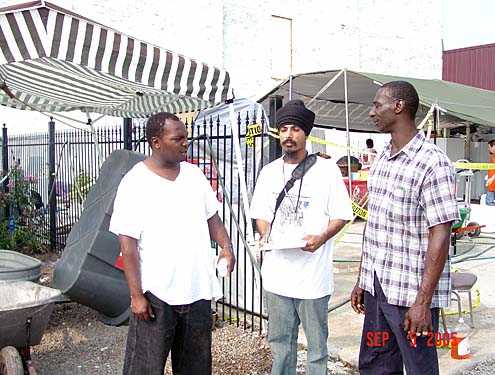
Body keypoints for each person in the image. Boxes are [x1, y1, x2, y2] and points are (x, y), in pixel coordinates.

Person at [109, 112, 235, 375]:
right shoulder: (135, 182)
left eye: (186, 138)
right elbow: (128, 246)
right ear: (156, 142)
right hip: (157, 295)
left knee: (196, 368)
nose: (185, 143)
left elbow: (213, 219)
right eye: (177, 139)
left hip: (197, 291)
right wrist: (136, 296)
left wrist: (226, 247)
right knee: (144, 367)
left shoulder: (194, 175)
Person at [350, 81, 460, 374]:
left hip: (410, 294)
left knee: (418, 367)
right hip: (378, 286)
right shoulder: (383, 157)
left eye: (377, 105)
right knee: (375, 365)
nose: (372, 112)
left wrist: (423, 302)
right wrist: (363, 278)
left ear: (398, 107)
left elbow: (441, 232)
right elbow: (375, 224)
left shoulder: (432, 162)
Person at [250, 99, 353, 375]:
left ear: (305, 133)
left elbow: (341, 215)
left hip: (313, 278)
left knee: (317, 347)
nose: (288, 135)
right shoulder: (269, 172)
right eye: (284, 129)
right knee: (280, 343)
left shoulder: (327, 171)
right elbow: (260, 213)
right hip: (278, 274)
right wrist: (266, 234)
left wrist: (320, 238)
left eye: (295, 129)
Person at [486, 140, 495, 206]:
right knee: (489, 203)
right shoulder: (494, 156)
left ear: (493, 147)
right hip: (491, 184)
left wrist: (492, 177)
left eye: (489, 147)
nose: (488, 149)